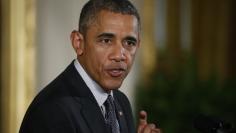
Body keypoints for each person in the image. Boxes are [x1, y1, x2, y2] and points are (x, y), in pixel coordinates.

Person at [19, 0, 161, 133]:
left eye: (129, 43)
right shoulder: (52, 111)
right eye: (106, 41)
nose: (119, 55)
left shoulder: (120, 102)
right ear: (78, 43)